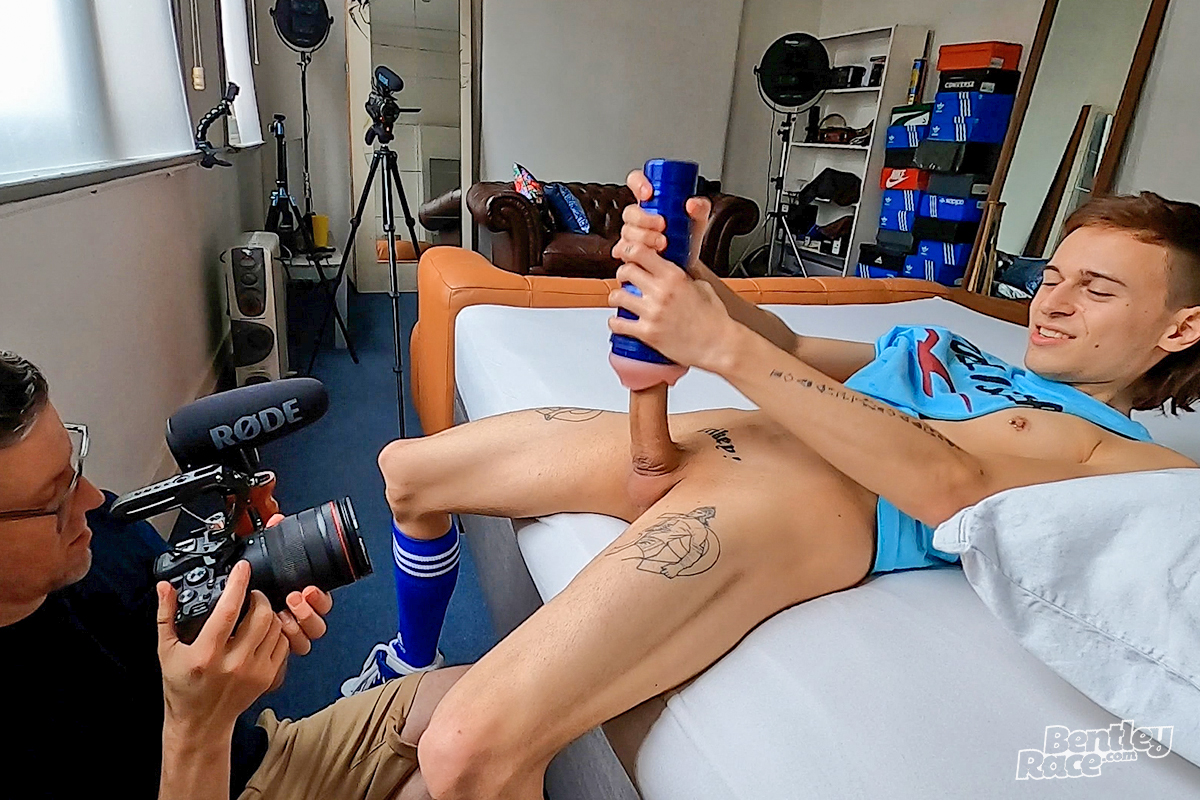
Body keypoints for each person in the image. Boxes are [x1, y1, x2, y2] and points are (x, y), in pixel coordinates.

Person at [351, 183, 1200, 799]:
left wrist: (718, 347)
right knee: (409, 472)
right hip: (724, 432)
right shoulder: (955, 347)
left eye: (1098, 289)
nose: (1054, 302)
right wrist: (693, 274)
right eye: (1053, 277)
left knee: (466, 750)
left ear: (1181, 327)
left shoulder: (1130, 458)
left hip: (790, 507)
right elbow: (787, 345)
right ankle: (415, 657)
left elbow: (954, 485)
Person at [0, 352, 467, 800]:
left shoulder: (97, 533)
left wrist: (253, 639)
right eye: (53, 499)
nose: (91, 500)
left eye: (74, 469)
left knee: (480, 717)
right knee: (463, 772)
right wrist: (197, 730)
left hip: (252, 759)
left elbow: (222, 669)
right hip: (197, 774)